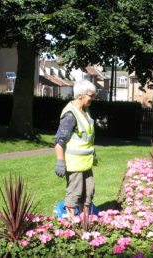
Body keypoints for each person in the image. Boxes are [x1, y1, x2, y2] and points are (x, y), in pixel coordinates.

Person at [54, 79, 98, 219]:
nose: (93, 98)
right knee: (75, 192)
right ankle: (72, 222)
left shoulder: (85, 110)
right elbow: (59, 141)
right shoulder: (70, 114)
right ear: (80, 95)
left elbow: (86, 136)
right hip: (74, 162)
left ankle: (85, 221)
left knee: (88, 191)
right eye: (90, 95)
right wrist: (60, 162)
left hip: (86, 161)